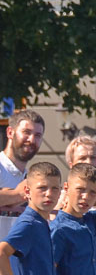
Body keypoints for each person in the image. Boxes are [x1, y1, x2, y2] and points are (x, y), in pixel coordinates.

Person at [0, 110, 45, 272]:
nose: (31, 139)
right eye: (26, 132)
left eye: (38, 135)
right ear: (10, 132)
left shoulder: (33, 178)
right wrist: (17, 195)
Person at [0, 162, 61, 275]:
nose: (49, 194)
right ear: (27, 191)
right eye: (42, 188)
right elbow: (1, 252)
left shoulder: (42, 223)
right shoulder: (28, 223)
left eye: (55, 188)